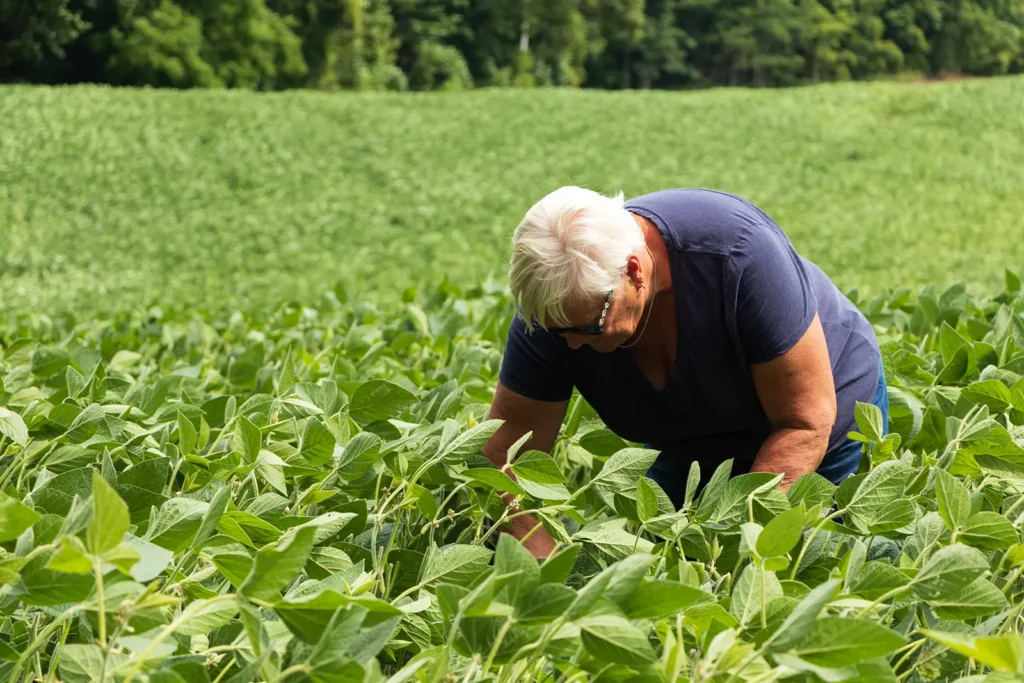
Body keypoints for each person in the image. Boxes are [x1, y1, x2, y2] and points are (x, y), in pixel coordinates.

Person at [480, 186, 888, 558]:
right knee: (668, 566)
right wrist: (542, 567)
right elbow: (507, 451)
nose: (570, 345)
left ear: (635, 272)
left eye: (588, 328)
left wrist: (736, 547)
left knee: (798, 563)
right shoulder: (557, 308)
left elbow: (805, 419)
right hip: (692, 447)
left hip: (821, 419)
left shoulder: (735, 254)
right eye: (557, 332)